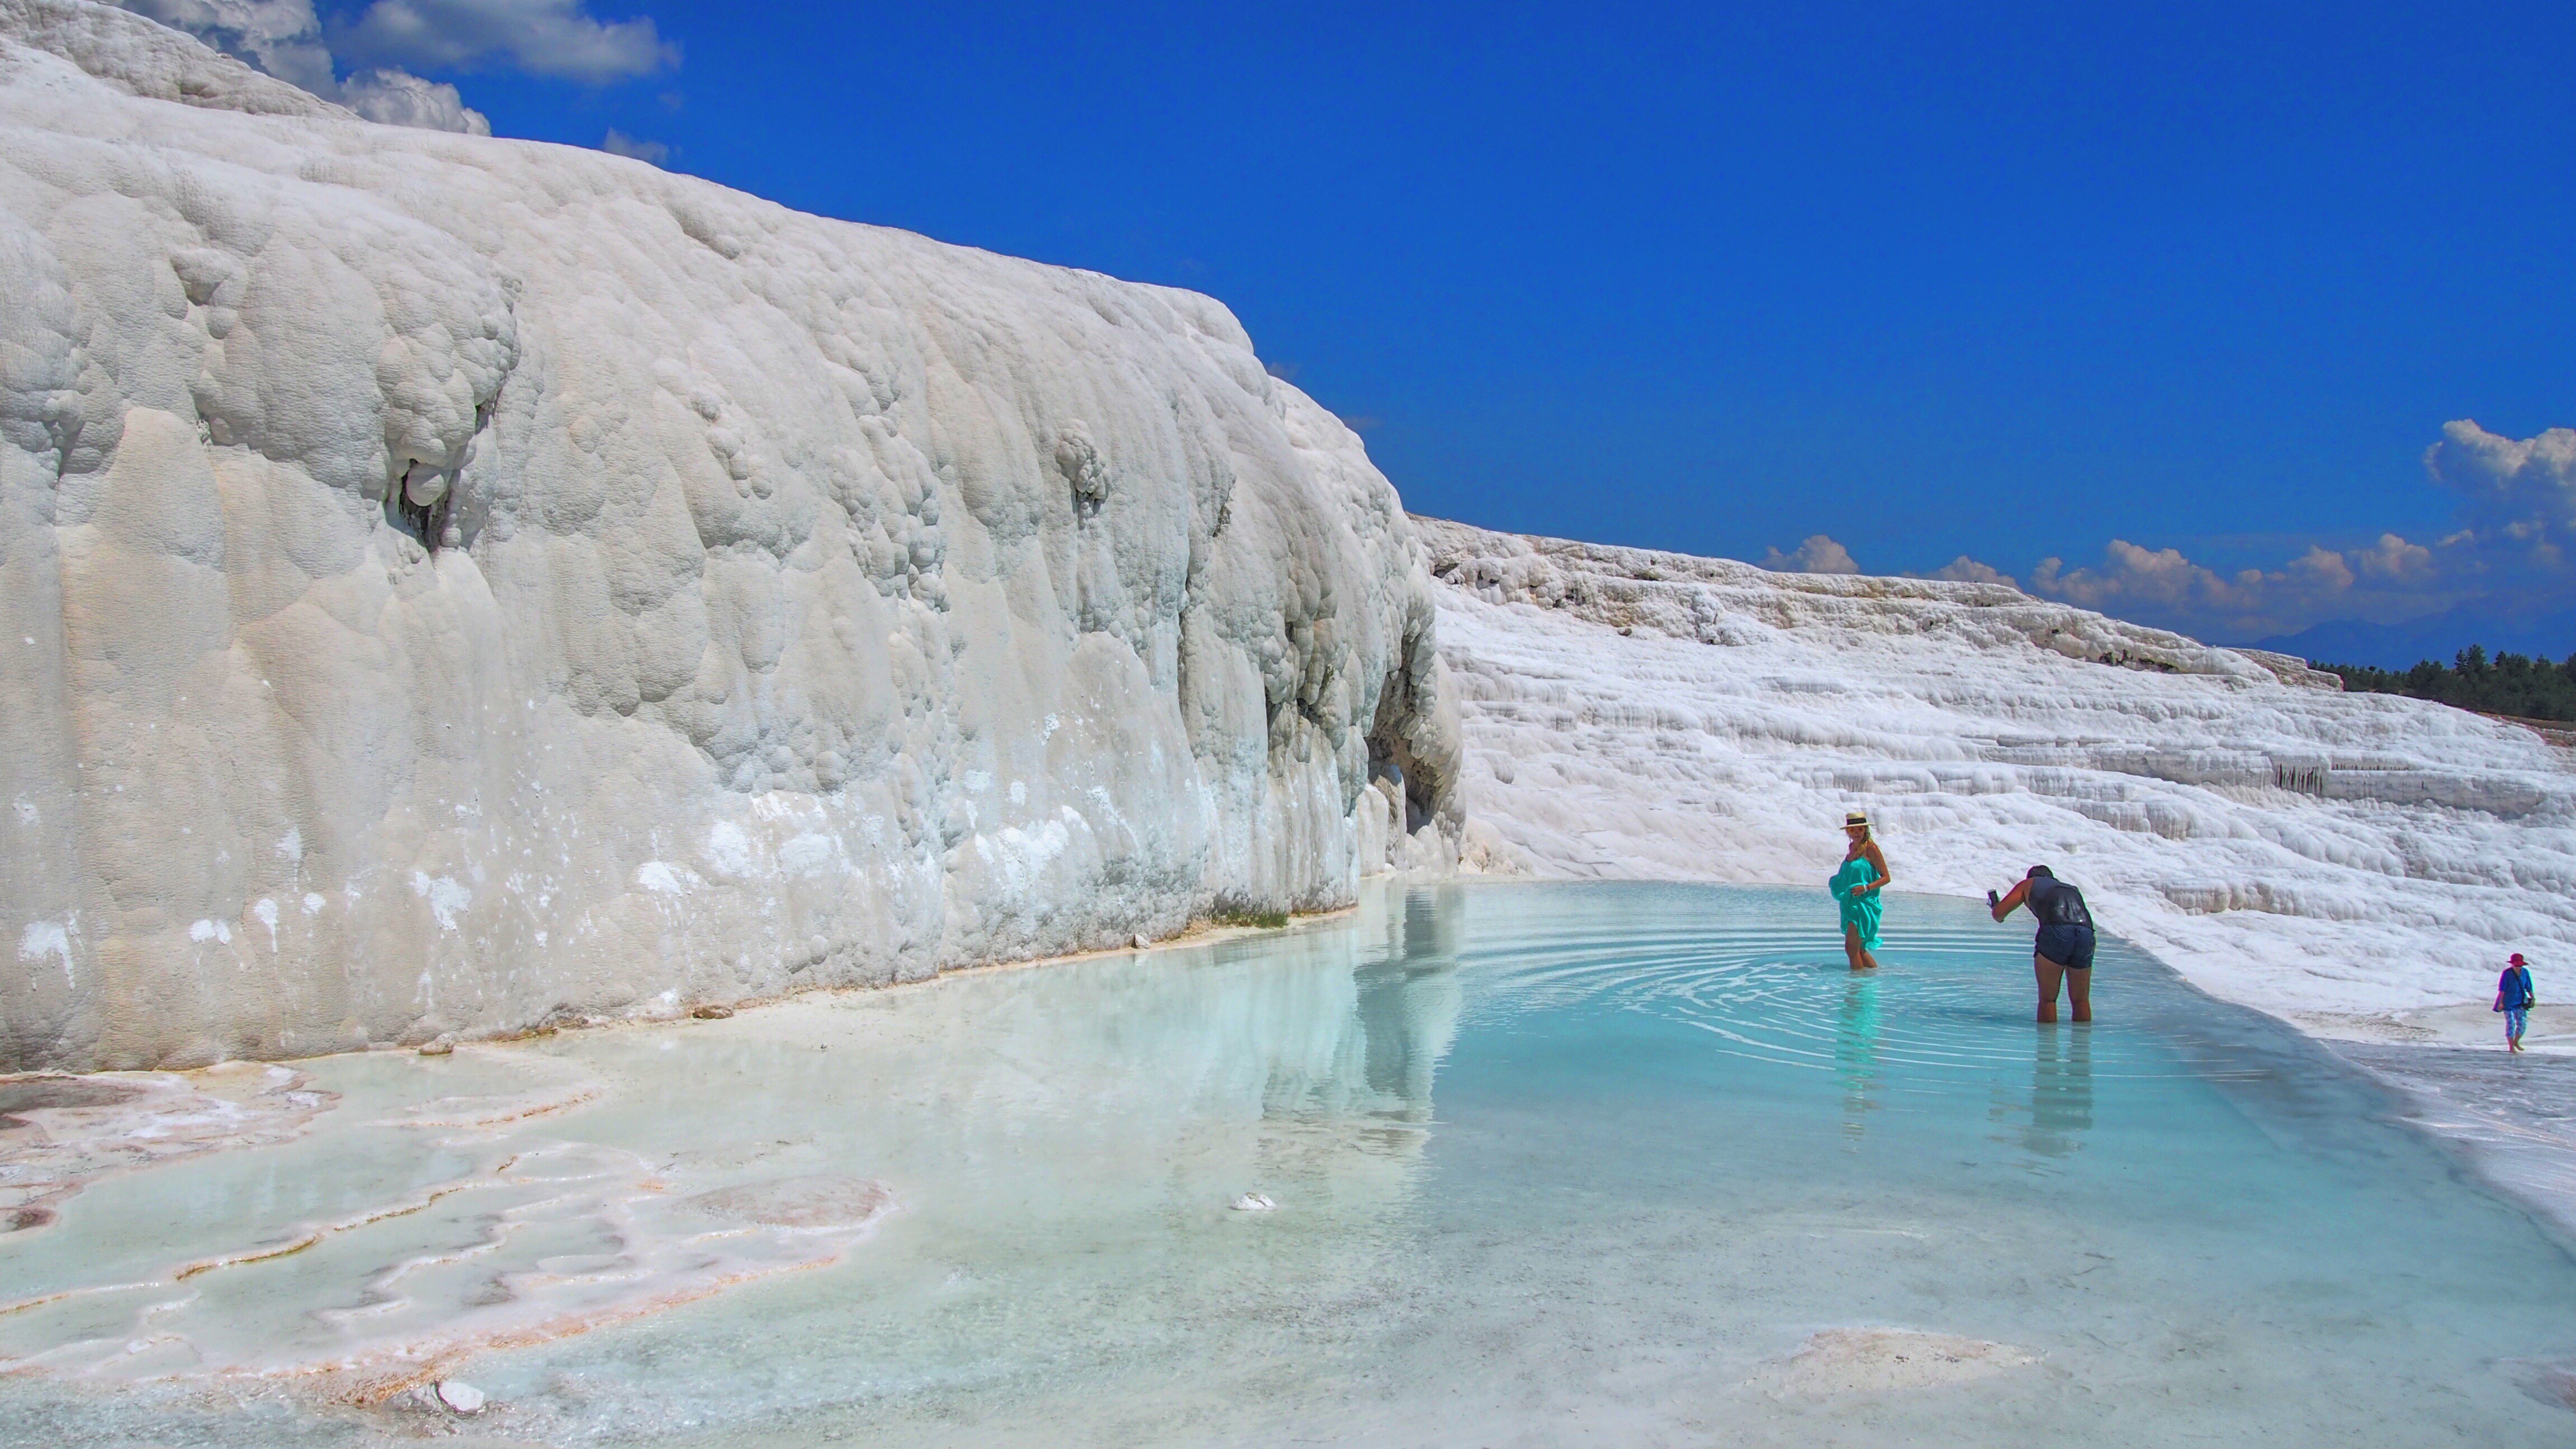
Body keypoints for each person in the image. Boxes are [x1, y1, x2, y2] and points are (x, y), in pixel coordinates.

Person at [1989, 865, 2095, 1023]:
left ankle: (2047, 1046)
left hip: (2057, 931)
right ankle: (2084, 1045)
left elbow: (1999, 914)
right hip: (2086, 932)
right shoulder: (2071, 888)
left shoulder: (2028, 884)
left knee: (2048, 999)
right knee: (2081, 1000)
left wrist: (1995, 907)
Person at [1829, 811, 1890, 972]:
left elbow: (1886, 877)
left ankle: (1856, 987)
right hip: (1850, 904)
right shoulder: (1851, 848)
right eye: (1852, 830)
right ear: (1848, 832)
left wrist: (1866, 888)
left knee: (1851, 949)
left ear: (1865, 830)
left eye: (1860, 830)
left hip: (1864, 905)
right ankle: (1871, 980)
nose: (1856, 833)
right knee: (1859, 950)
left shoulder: (1871, 849)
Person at [2494, 952, 2538, 1053]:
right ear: (2512, 964)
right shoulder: (2507, 974)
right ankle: (2511, 1047)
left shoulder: (2526, 973)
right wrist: (2500, 1003)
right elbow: (2502, 990)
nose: (2518, 967)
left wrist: (2533, 998)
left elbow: (2529, 987)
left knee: (2522, 1024)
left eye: (2520, 965)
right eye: (2516, 965)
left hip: (2520, 1002)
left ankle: (2516, 1042)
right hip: (2508, 1003)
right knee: (2511, 1024)